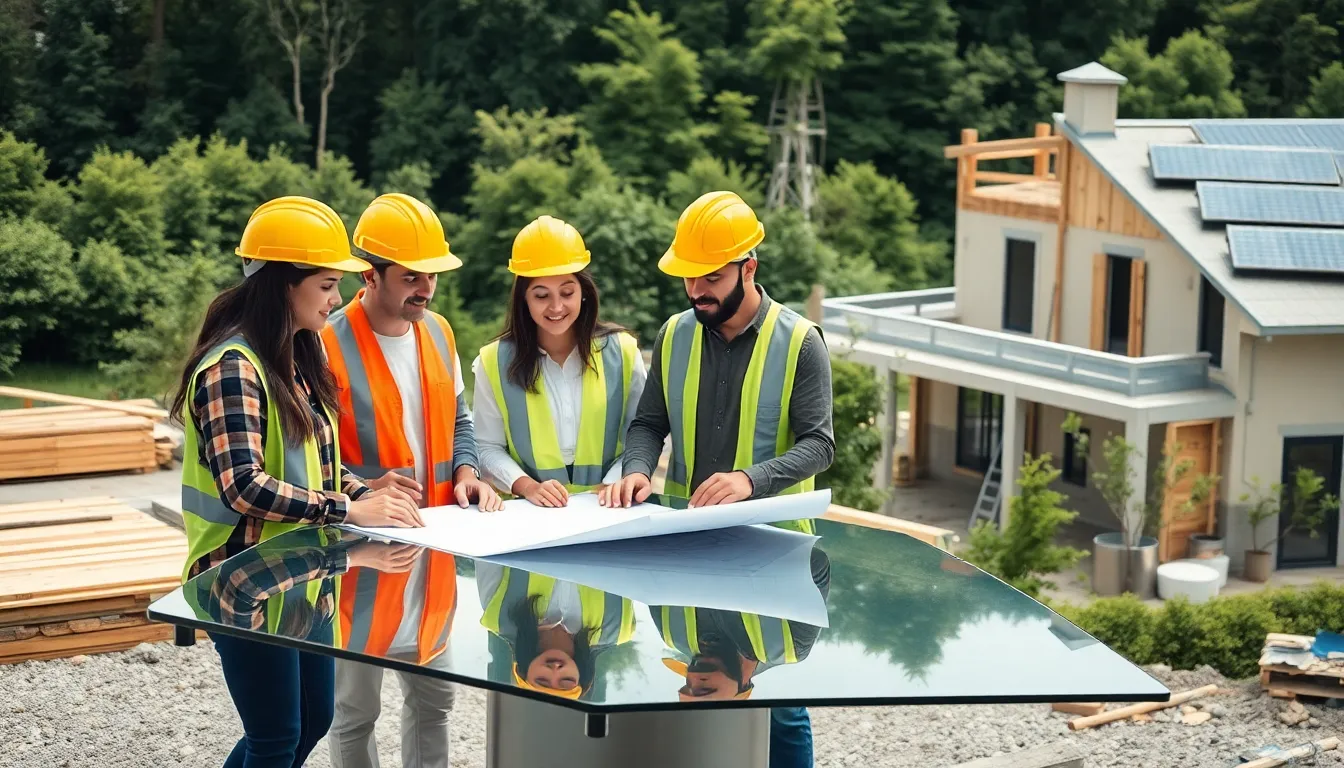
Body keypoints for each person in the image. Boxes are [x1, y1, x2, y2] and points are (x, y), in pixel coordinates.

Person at [171, 195, 424, 768]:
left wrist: (367, 494)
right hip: (239, 577)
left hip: (302, 572)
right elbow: (243, 485)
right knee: (275, 736)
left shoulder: (298, 354)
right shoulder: (232, 368)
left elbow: (318, 463)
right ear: (282, 285)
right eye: (327, 285)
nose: (336, 298)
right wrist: (348, 511)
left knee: (312, 721)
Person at [603, 190, 836, 768]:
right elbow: (649, 423)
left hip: (779, 552)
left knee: (785, 713)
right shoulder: (675, 334)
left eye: (711, 277)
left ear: (748, 268)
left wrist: (750, 480)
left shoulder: (801, 342)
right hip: (694, 545)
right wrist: (637, 470)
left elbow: (820, 445)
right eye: (689, 277)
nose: (696, 290)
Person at [320, 193, 500, 768]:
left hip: (433, 552)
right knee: (353, 712)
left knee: (434, 703)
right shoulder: (323, 343)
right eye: (411, 277)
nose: (425, 288)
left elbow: (459, 420)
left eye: (432, 275)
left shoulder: (438, 332)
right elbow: (309, 453)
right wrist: (362, 490)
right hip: (360, 556)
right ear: (369, 276)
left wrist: (467, 470)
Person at [472, 215, 645, 506]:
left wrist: (612, 483)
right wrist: (528, 487)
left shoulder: (624, 352)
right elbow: (486, 445)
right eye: (541, 296)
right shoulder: (493, 362)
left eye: (567, 293)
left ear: (584, 292)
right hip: (532, 515)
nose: (556, 307)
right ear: (524, 299)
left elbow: (642, 435)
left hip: (610, 509)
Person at [476, 563, 635, 700]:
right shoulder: (618, 627)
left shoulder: (498, 614)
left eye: (542, 680)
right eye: (566, 681)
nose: (555, 669)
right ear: (580, 677)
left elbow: (484, 542)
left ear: (524, 673)